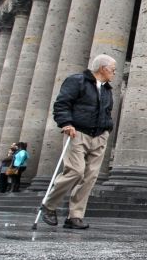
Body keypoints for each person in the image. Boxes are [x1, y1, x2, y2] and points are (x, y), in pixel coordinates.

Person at [40, 54, 117, 230]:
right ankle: (49, 205)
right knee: (75, 171)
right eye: (112, 69)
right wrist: (66, 123)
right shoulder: (77, 81)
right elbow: (62, 103)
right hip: (78, 132)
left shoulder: (107, 89)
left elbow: (107, 111)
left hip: (99, 135)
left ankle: (75, 216)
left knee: (90, 177)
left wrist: (107, 129)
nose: (114, 72)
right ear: (103, 68)